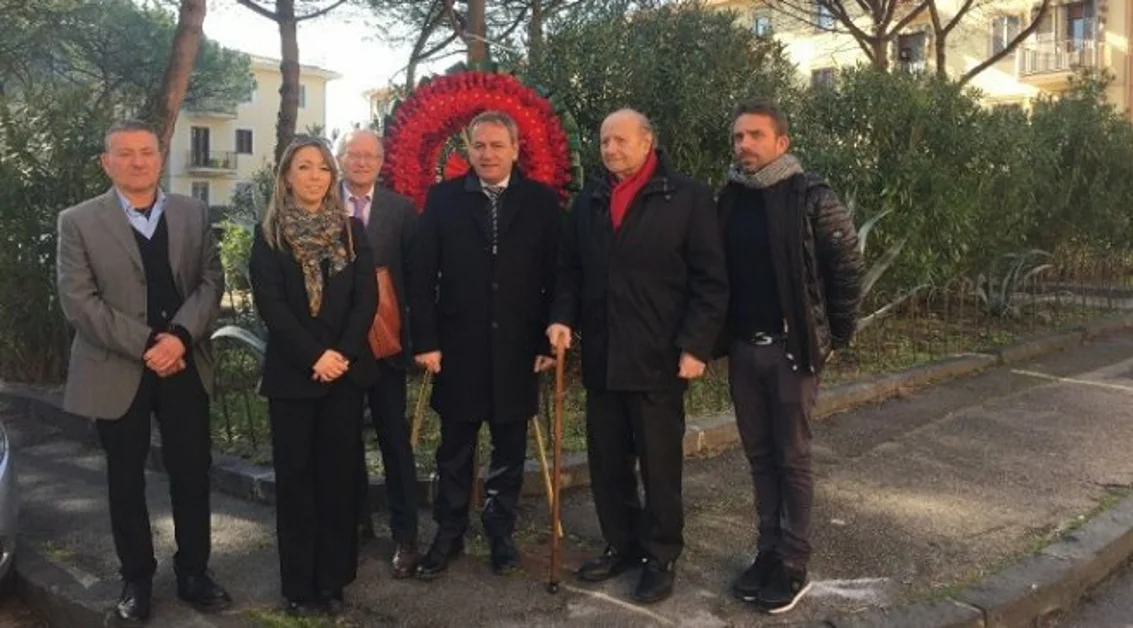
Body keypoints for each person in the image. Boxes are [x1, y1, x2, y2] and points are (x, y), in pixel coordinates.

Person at [547, 109, 728, 604]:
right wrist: (561, 317)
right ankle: (622, 544)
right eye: (604, 142)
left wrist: (696, 346)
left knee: (659, 463)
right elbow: (569, 271)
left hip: (659, 358)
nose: (610, 150)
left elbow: (711, 281)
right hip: (603, 356)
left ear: (648, 141)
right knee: (608, 461)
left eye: (620, 140)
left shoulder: (685, 198)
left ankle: (661, 553)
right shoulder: (589, 202)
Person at [56, 120, 230, 622]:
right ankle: (136, 580)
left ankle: (194, 572)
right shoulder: (79, 221)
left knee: (193, 472)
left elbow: (211, 282)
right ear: (105, 162)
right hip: (117, 368)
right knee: (125, 479)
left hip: (183, 363)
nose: (137, 161)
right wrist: (149, 343)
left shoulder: (193, 212)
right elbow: (79, 303)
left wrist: (178, 337)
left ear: (160, 157)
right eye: (125, 153)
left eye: (146, 152)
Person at [718, 99, 863, 614]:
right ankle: (767, 552)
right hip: (744, 350)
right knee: (760, 458)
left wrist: (833, 338)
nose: (744, 145)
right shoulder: (731, 199)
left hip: (791, 353)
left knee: (793, 458)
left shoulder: (810, 196)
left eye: (755, 136)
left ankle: (794, 564)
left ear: (782, 142)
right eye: (738, 137)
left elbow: (845, 266)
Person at [409, 111, 560, 580]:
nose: (488, 154)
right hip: (457, 347)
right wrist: (427, 341)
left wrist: (547, 338)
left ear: (515, 149)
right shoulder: (443, 199)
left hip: (519, 347)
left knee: (509, 449)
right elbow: (420, 275)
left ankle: (500, 531)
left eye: (497, 145)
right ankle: (449, 532)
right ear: (467, 150)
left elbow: (556, 275)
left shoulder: (540, 201)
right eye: (479, 146)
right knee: (454, 448)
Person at [249, 136, 378, 616]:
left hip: (343, 376)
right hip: (294, 378)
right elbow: (272, 308)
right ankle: (299, 588)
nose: (315, 176)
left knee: (339, 481)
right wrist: (313, 357)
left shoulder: (350, 232)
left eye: (323, 167)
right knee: (297, 484)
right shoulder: (270, 237)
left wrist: (340, 354)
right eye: (304, 167)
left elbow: (366, 299)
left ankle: (332, 582)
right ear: (286, 176)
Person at [338, 129, 421, 578]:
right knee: (343, 439)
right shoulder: (319, 202)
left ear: (382, 161)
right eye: (354, 154)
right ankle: (353, 523)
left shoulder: (401, 211)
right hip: (337, 350)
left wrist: (416, 341)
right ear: (340, 158)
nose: (362, 162)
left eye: (370, 155)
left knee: (395, 441)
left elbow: (415, 280)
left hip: (386, 346)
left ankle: (405, 535)